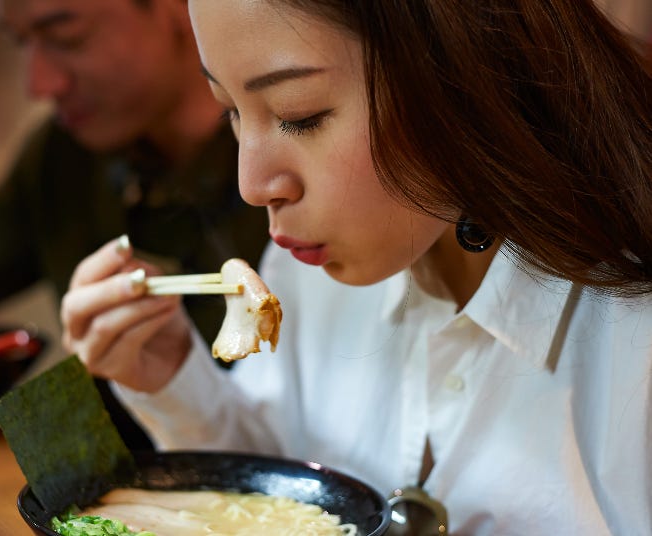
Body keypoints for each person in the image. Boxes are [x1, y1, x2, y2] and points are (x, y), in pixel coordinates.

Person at [60, 0, 652, 533]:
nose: (252, 184)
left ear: (464, 72)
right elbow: (286, 487)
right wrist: (172, 378)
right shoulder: (309, 270)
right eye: (232, 112)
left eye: (300, 113)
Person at [0, 0, 269, 447]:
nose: (39, 84)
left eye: (65, 36)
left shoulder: (286, 177)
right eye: (23, 43)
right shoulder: (65, 158)